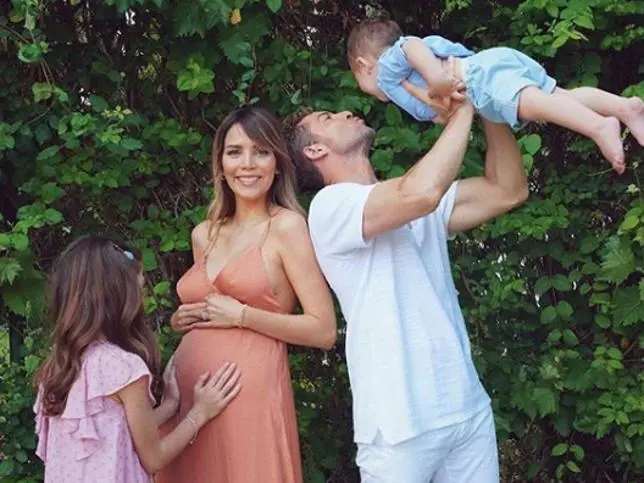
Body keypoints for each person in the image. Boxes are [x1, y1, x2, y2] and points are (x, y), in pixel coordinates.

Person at [285, 98, 528, 482]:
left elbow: (508, 189)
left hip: (464, 406)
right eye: (328, 117)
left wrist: (487, 102)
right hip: (398, 423)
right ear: (315, 150)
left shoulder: (407, 196)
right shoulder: (330, 207)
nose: (345, 112)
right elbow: (420, 194)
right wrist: (463, 109)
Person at [156, 107, 337, 483]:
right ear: (221, 164)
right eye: (235, 152)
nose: (248, 164)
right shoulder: (204, 233)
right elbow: (209, 309)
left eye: (261, 152)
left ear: (277, 164)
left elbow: (323, 331)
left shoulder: (287, 227)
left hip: (246, 395)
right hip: (188, 398)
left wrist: (243, 316)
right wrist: (181, 318)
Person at [33, 235, 241, 483]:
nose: (142, 297)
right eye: (139, 289)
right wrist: (200, 412)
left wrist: (169, 405)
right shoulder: (122, 367)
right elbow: (153, 458)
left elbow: (119, 431)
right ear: (120, 295)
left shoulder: (58, 367)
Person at [347, 17, 644, 174]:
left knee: (525, 103)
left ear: (363, 65)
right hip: (488, 65)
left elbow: (410, 46)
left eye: (360, 81)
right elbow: (437, 109)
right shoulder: (402, 84)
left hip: (478, 80)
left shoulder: (386, 69)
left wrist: (438, 80)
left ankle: (598, 126)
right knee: (559, 96)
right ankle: (624, 108)